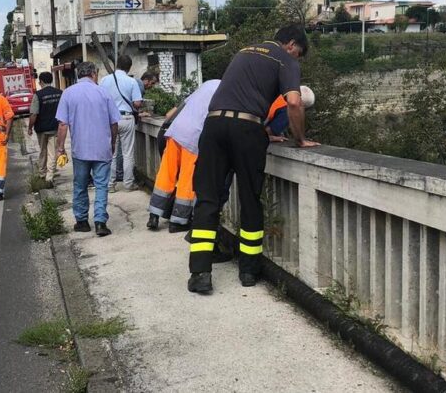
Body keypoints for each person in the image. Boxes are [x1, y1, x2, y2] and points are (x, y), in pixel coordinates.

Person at [187, 25, 320, 294]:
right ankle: (248, 271)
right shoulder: (285, 60)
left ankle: (200, 273)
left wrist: (265, 130)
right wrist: (301, 139)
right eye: (299, 54)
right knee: (249, 198)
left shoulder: (244, 52)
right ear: (292, 45)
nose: (298, 59)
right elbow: (294, 102)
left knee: (208, 199)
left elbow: (240, 94)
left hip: (213, 126)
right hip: (247, 131)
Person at [147, 80, 221, 233]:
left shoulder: (207, 85)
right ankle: (178, 221)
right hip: (193, 137)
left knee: (166, 174)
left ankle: (153, 215)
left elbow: (178, 109)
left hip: (176, 131)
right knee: (187, 180)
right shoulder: (225, 92)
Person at [56, 62, 120, 237]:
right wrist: (112, 143)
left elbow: (62, 124)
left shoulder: (68, 93)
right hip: (102, 149)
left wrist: (60, 149)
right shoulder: (104, 93)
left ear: (78, 74)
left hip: (80, 150)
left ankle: (82, 222)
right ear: (93, 73)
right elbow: (114, 123)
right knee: (101, 186)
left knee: (80, 185)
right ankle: (100, 222)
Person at [99, 55, 142, 193]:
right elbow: (137, 103)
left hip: (110, 120)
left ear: (117, 64)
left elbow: (100, 101)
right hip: (126, 118)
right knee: (128, 153)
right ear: (129, 67)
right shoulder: (132, 82)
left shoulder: (104, 80)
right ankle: (128, 184)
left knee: (111, 153)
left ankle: (110, 185)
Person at [28, 71, 62, 184]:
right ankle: (50, 175)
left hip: (41, 129)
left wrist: (30, 127)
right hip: (55, 127)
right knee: (52, 152)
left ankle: (42, 173)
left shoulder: (38, 95)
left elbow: (33, 114)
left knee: (43, 151)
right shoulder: (59, 93)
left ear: (41, 81)